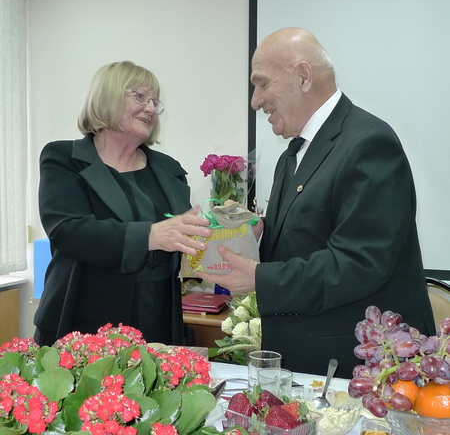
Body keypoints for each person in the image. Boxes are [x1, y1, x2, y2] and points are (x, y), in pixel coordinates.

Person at [197, 28, 435, 378]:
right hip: (310, 362)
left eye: (262, 84)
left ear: (303, 77)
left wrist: (260, 279)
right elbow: (309, 239)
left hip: (360, 368)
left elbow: (359, 263)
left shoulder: (368, 143)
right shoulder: (291, 155)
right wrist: (260, 232)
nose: (255, 101)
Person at [34, 61, 211, 347]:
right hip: (82, 322)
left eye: (154, 101)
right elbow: (68, 231)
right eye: (140, 96)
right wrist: (151, 235)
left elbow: (183, 241)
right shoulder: (64, 158)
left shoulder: (169, 169)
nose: (150, 108)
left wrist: (230, 234)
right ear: (107, 97)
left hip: (157, 322)